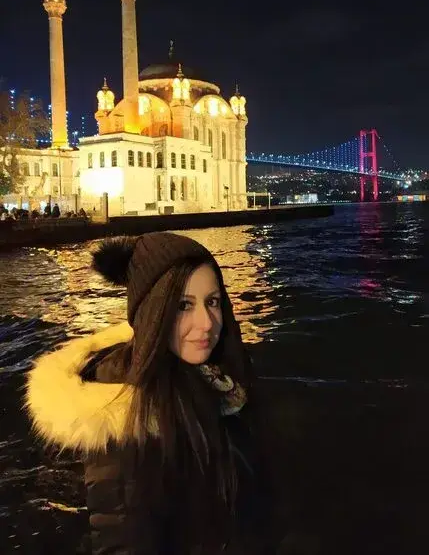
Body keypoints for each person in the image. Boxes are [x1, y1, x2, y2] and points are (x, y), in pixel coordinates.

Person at [24, 232, 275, 555]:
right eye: (183, 305)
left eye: (212, 302)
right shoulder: (122, 417)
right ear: (154, 312)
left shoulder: (205, 375)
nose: (206, 323)